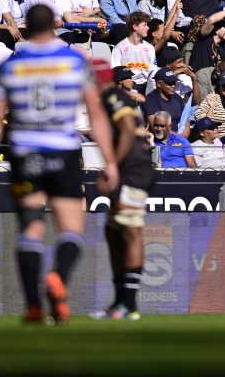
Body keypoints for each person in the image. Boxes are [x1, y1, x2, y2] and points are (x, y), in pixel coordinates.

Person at [0, 4, 117, 324]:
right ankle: (57, 278)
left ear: (27, 29)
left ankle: (32, 306)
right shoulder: (73, 61)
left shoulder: (12, 66)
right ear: (56, 25)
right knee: (71, 229)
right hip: (64, 151)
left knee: (31, 228)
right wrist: (109, 160)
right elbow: (95, 114)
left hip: (26, 153)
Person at [91, 59, 156, 320]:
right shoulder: (105, 100)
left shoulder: (114, 97)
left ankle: (129, 305)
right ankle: (120, 303)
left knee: (130, 230)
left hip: (134, 170)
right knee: (114, 233)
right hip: (128, 169)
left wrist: (111, 166)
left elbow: (128, 131)